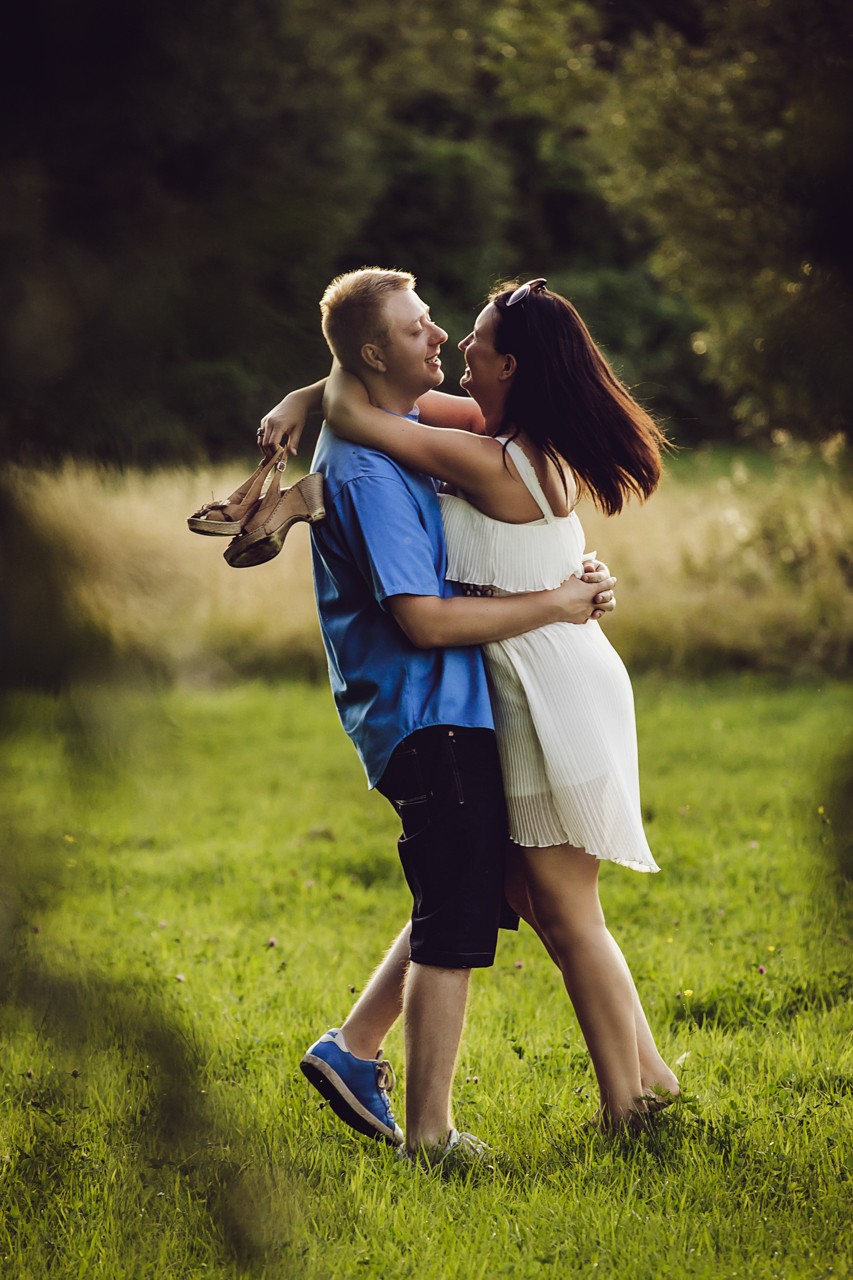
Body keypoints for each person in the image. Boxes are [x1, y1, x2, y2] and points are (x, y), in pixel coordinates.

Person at [267, 275, 680, 1134]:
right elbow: (361, 404)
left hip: (546, 683)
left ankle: (632, 1106)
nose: (458, 344)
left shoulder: (494, 459)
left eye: (477, 345)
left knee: (565, 907)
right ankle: (643, 1081)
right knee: (508, 886)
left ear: (513, 369)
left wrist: (314, 393)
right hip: (534, 675)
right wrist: (316, 388)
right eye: (437, 332)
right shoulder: (490, 431)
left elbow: (358, 414)